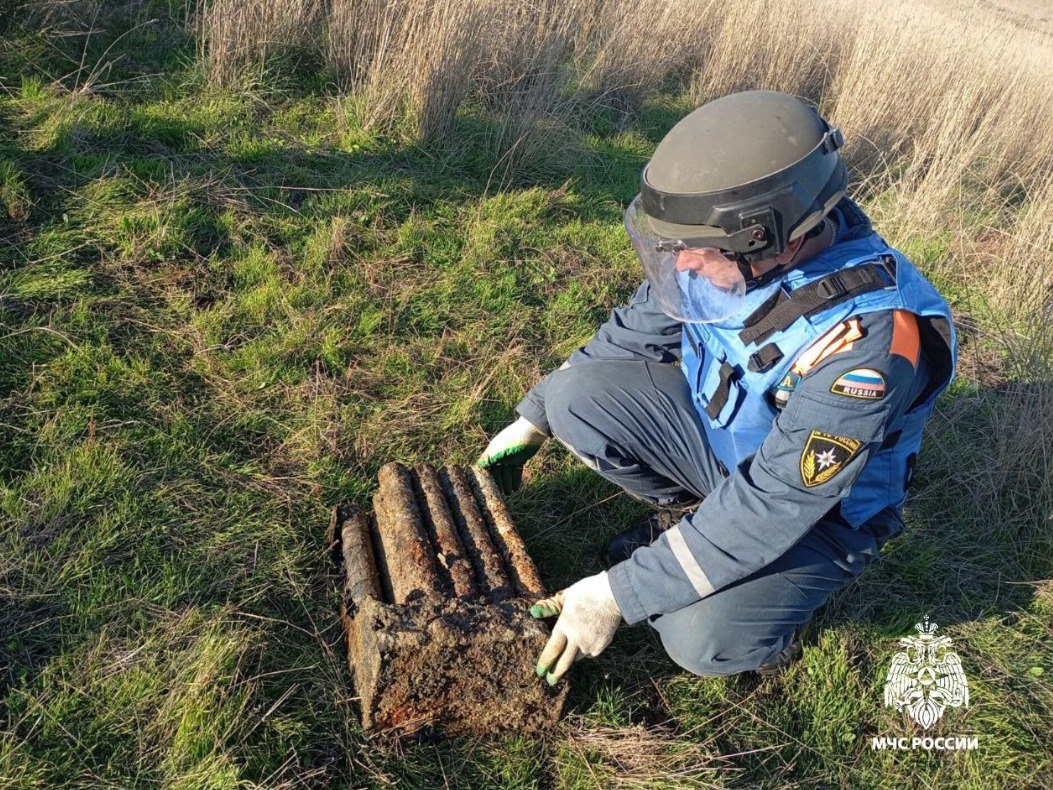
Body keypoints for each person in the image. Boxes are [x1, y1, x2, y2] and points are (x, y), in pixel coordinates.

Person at [476, 90, 957, 685]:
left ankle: (762, 630)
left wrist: (617, 595)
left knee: (699, 636)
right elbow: (636, 330)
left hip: (819, 513)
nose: (681, 266)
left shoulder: (872, 347)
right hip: (727, 448)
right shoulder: (725, 254)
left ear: (771, 238)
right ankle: (690, 525)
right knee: (572, 396)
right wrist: (535, 413)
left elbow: (779, 499)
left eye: (696, 251)